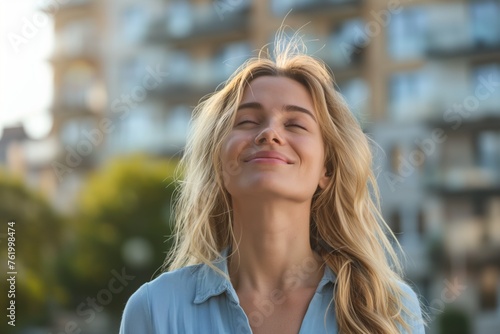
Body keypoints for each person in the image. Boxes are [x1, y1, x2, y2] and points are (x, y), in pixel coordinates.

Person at [119, 32, 425, 334]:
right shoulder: (154, 310)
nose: (270, 134)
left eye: (295, 124)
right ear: (219, 164)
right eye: (247, 121)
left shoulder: (389, 310)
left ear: (326, 169)